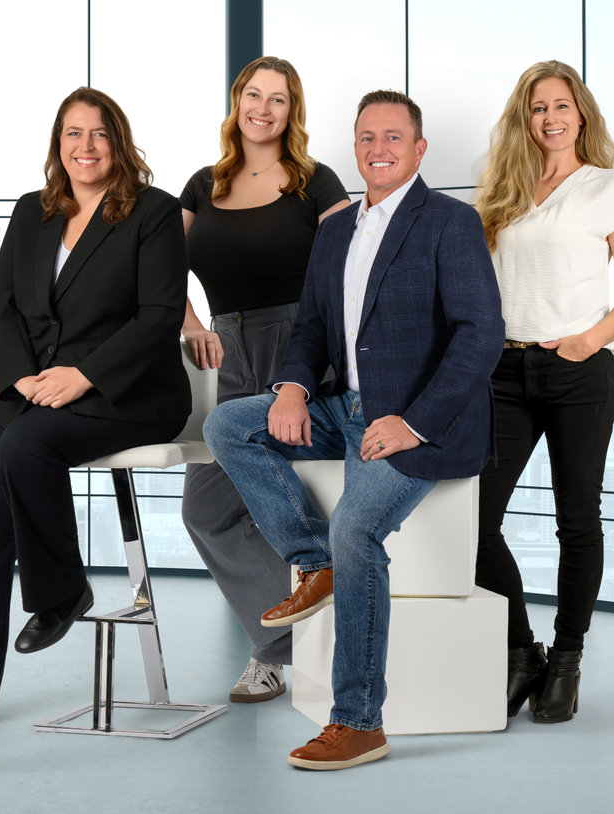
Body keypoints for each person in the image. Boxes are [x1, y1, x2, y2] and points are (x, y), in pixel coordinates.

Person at [203, 90, 503, 770]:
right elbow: (312, 325)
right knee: (230, 424)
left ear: (419, 149)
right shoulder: (335, 228)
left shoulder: (450, 223)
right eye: (367, 137)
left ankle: (359, 721)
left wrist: (413, 421)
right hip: (344, 408)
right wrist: (292, 389)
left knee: (357, 528)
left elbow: (480, 334)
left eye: (393, 138)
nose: (379, 149)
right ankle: (315, 563)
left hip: (419, 422)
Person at [0, 87, 189, 658]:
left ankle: (61, 592)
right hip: (38, 388)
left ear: (118, 143)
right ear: (58, 143)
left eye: (99, 133)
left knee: (24, 445)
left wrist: (85, 376)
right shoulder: (33, 210)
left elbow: (160, 315)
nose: (86, 145)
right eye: (73, 133)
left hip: (129, 395)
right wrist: (21, 376)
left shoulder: (156, 211)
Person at [474, 60, 614, 723]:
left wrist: (584, 341)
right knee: (474, 522)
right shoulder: (502, 191)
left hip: (579, 373)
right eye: (537, 107)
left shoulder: (609, 189)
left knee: (578, 521)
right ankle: (523, 653)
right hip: (503, 375)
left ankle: (567, 660)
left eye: (560, 105)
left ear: (581, 114)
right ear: (526, 118)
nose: (550, 117)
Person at [178, 56, 349, 705]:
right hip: (227, 351)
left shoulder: (314, 181)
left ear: (291, 110)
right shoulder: (203, 184)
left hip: (299, 343)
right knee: (205, 508)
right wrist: (191, 323)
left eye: (279, 98)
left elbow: (346, 271)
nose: (264, 107)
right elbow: (159, 270)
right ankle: (282, 647)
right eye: (255, 94)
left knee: (284, 479)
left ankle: (321, 587)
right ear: (238, 101)